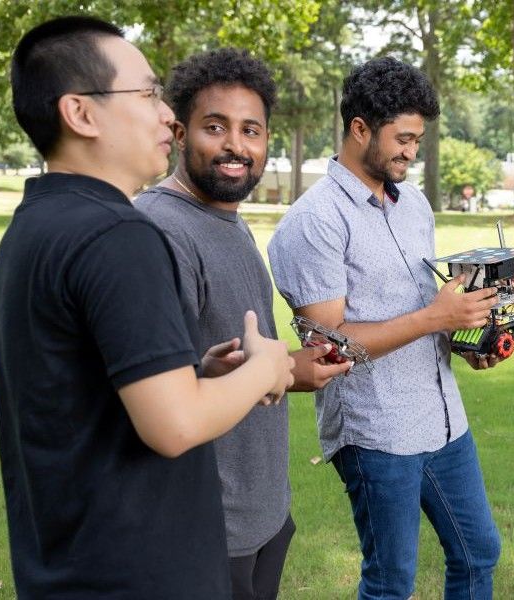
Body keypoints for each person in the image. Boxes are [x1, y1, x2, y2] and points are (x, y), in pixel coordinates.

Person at [0, 17, 294, 599]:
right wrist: (267, 368)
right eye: (149, 93)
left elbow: (83, 401)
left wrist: (197, 375)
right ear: (81, 113)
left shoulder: (39, 223)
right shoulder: (118, 236)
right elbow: (174, 426)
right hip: (140, 575)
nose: (166, 115)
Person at [268, 57, 503, 600]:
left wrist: (464, 337)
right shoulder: (314, 222)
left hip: (442, 419)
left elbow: (429, 307)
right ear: (359, 128)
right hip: (375, 430)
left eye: (418, 141)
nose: (410, 153)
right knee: (391, 580)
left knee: (478, 552)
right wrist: (435, 318)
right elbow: (329, 346)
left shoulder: (414, 204)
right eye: (402, 139)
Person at [134, 48, 351, 600]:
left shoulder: (229, 223)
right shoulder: (159, 231)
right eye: (216, 127)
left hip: (261, 517)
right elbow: (158, 400)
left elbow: (230, 362)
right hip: (202, 529)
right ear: (180, 134)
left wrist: (285, 370)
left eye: (250, 130)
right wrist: (265, 372)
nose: (236, 145)